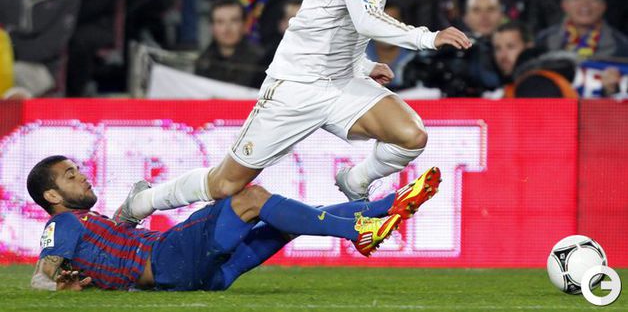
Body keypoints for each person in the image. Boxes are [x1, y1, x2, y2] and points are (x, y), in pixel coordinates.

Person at [201, 0, 470, 203]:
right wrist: (428, 37)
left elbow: (337, 28)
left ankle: (354, 181)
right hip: (297, 85)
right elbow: (365, 21)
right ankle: (150, 200)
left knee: (412, 135)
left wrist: (362, 66)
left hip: (339, 83)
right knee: (224, 184)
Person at [28, 155, 441, 291]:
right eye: (70, 176)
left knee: (286, 220)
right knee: (249, 197)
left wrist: (81, 284)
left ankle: (388, 205)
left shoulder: (87, 225)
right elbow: (40, 277)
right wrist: (54, 284)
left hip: (196, 278)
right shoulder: (64, 224)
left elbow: (112, 255)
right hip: (168, 258)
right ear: (52, 197)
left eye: (78, 170)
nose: (83, 177)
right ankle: (359, 230)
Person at [536, 0, 628, 60]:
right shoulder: (544, 40)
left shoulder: (622, 46)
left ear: (603, 7)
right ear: (564, 4)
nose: (585, 4)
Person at [195, 0, 266, 88]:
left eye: (234, 21)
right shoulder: (203, 63)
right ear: (211, 27)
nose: (227, 29)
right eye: (220, 22)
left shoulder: (261, 61)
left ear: (245, 24)